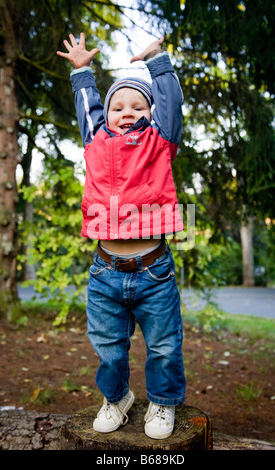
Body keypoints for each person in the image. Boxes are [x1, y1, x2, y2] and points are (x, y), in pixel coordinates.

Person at [57, 32, 186, 440]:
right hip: (104, 272)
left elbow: (171, 105)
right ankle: (117, 398)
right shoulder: (96, 141)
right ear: (107, 114)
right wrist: (81, 71)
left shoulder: (159, 143)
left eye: (137, 105)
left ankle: (163, 404)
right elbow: (87, 106)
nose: (126, 112)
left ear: (150, 112)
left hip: (154, 273)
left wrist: (157, 61)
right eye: (118, 106)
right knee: (109, 349)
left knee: (164, 347)